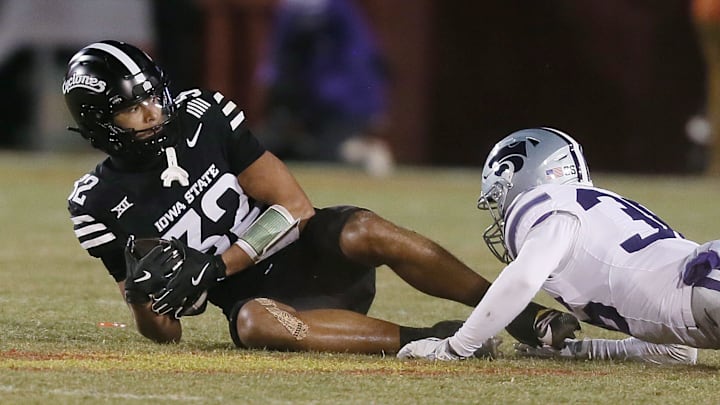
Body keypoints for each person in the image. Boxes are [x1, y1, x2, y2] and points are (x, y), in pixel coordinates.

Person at [61, 41, 579, 355]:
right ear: (100, 123)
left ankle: (517, 314)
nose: (153, 111)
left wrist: (216, 266)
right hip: (274, 306)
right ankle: (431, 338)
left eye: (152, 93)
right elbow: (166, 335)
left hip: (308, 251)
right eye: (133, 107)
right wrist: (145, 297)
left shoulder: (204, 116)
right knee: (252, 324)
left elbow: (294, 207)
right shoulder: (96, 203)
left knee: (365, 227)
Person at [397, 127, 705, 364]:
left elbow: (524, 279)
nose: (500, 212)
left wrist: (454, 348)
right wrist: (581, 350)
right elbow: (677, 351)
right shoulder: (594, 210)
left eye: (497, 198)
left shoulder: (544, 204)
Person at [257, 0, 394, 176]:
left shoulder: (332, 9)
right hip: (308, 101)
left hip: (341, 103)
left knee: (326, 159)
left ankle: (360, 151)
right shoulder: (295, 9)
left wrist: (375, 107)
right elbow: (279, 57)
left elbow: (361, 61)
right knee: (268, 149)